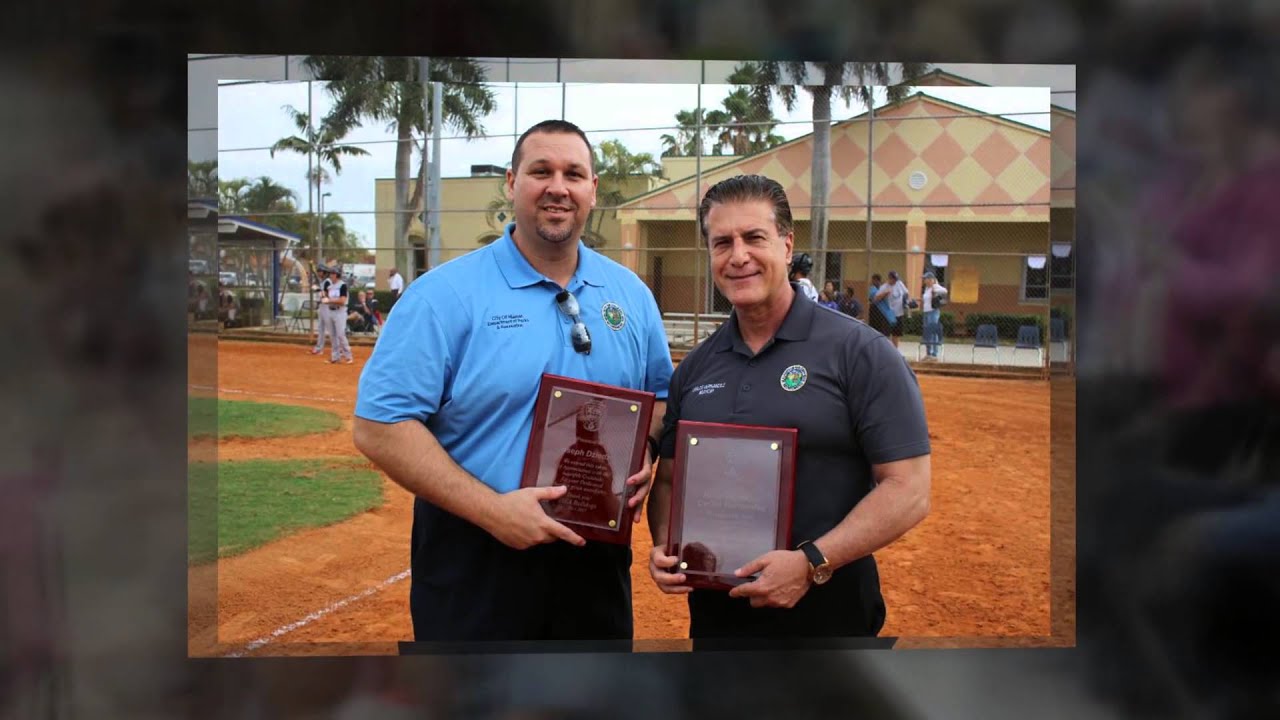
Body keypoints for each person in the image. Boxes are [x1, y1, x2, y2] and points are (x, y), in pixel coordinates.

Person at [352, 119, 673, 643]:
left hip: (595, 564)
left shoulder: (631, 295)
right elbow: (379, 424)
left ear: (593, 189)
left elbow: (659, 397)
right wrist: (493, 511)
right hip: (476, 558)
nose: (558, 187)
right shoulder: (443, 295)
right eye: (540, 171)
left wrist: (647, 447)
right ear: (511, 182)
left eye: (574, 174)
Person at [645, 174, 931, 639]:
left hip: (832, 627)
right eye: (722, 243)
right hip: (719, 626)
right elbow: (671, 480)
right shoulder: (696, 367)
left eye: (754, 237)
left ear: (785, 244)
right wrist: (666, 544)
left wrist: (811, 563)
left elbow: (909, 490)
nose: (738, 257)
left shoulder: (862, 352)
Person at [320, 265, 353, 364]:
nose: (331, 275)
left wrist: (329, 300)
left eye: (333, 273)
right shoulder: (330, 286)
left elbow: (342, 300)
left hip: (340, 311)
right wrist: (323, 295)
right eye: (330, 273)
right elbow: (326, 297)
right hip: (330, 310)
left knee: (340, 334)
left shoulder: (342, 285)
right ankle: (335, 357)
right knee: (332, 335)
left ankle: (348, 356)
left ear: (337, 275)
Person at [873, 270, 909, 348]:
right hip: (889, 315)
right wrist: (885, 293)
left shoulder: (899, 284)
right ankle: (887, 350)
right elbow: (875, 299)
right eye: (893, 279)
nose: (895, 281)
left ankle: (895, 351)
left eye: (896, 279)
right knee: (886, 335)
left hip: (899, 313)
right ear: (889, 278)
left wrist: (906, 302)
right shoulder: (884, 287)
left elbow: (906, 293)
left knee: (896, 334)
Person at [920, 271, 948, 361]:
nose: (924, 280)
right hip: (926, 312)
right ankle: (928, 353)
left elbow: (945, 291)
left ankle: (934, 354)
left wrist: (934, 288)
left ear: (931, 279)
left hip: (933, 312)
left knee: (933, 332)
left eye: (926, 279)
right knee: (927, 333)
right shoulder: (926, 288)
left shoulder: (934, 286)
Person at [310, 264, 333, 356]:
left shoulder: (328, 282)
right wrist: (317, 288)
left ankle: (339, 348)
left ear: (324, 272)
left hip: (327, 306)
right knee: (321, 328)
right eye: (318, 271)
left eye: (321, 271)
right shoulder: (322, 282)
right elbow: (320, 292)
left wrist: (317, 289)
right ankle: (319, 348)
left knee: (331, 328)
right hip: (321, 306)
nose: (319, 273)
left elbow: (326, 294)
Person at [866, 273, 894, 337]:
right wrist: (884, 294)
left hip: (883, 312)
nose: (872, 282)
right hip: (875, 311)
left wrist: (883, 295)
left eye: (873, 280)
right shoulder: (873, 289)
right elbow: (875, 299)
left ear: (877, 281)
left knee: (884, 330)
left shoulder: (883, 288)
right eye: (872, 280)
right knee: (874, 329)